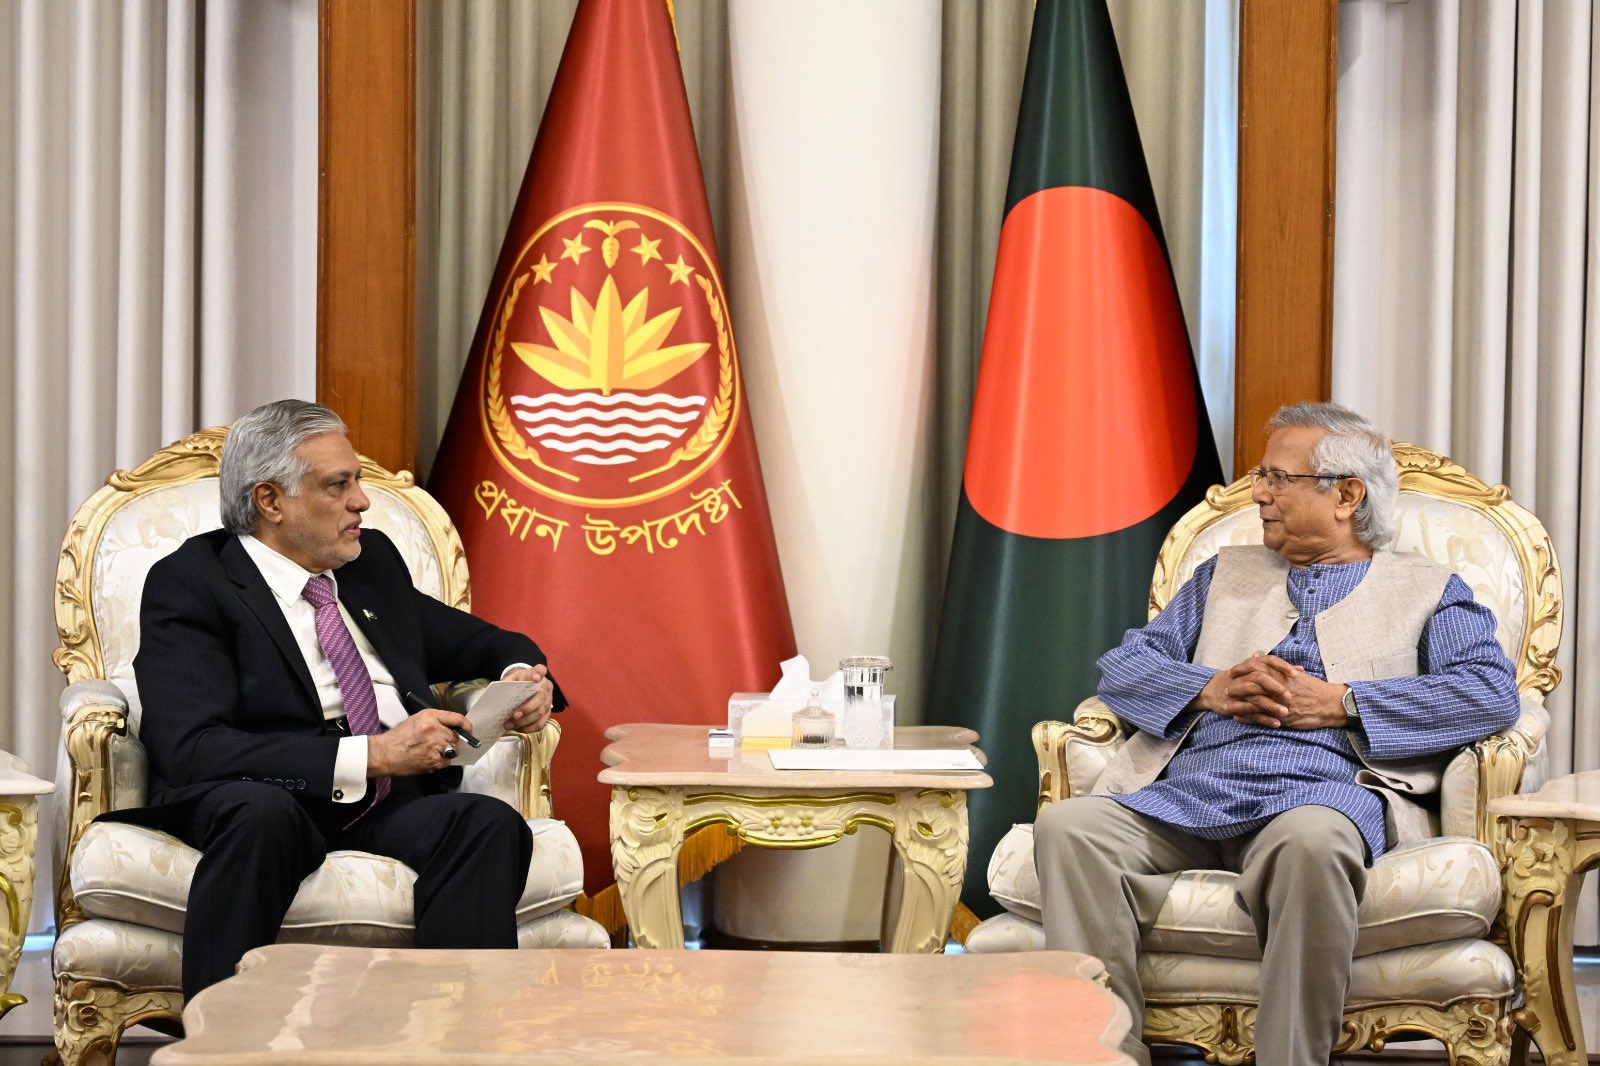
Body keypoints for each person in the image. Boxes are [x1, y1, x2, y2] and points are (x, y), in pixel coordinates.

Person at [1032, 401, 1521, 1065]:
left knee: (1311, 843)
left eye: (1277, 478)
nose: (1258, 492)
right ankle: (1105, 1055)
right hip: (1194, 793)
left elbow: (1488, 693)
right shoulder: (1218, 577)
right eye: (1262, 476)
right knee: (1071, 829)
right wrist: (1207, 689)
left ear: (1346, 495)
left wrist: (1343, 703)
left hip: (1324, 795)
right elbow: (1124, 669)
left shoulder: (1431, 590)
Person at [113, 399, 564, 1000]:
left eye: (358, 482)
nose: (362, 502)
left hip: (386, 799)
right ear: (270, 501)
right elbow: (192, 747)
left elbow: (482, 640)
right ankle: (218, 1045)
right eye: (338, 485)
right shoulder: (192, 583)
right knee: (259, 817)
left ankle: (454, 1040)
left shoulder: (366, 562)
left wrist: (522, 679)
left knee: (485, 824)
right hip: (268, 792)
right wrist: (372, 754)